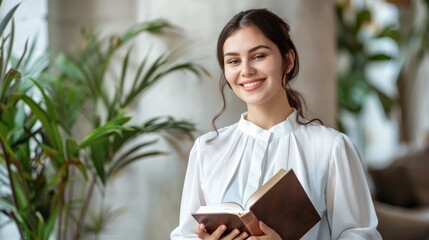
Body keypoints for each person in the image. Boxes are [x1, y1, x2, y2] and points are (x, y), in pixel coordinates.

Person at [171, 8, 381, 240]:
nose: (246, 70)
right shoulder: (207, 148)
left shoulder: (331, 147)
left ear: (288, 60)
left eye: (259, 56)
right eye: (233, 61)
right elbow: (185, 235)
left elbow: (360, 236)